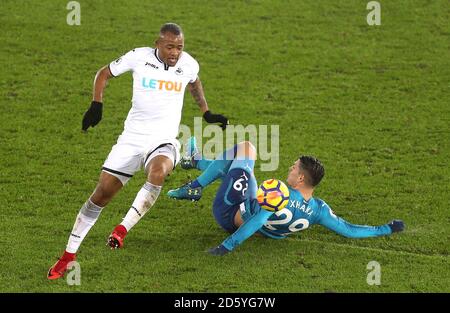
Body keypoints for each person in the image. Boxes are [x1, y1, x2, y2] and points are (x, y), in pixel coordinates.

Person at [47, 23, 229, 279]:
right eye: (170, 47)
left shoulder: (189, 64)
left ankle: (121, 230)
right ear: (158, 43)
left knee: (158, 171)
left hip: (164, 140)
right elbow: (103, 73)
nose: (175, 52)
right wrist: (96, 104)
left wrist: (206, 112)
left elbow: (194, 83)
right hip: (131, 140)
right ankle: (68, 256)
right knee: (101, 195)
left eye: (179, 47)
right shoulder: (139, 57)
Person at [167, 137, 405, 255]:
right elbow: (349, 230)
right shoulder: (319, 210)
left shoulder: (279, 193)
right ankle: (194, 161)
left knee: (246, 150)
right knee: (240, 169)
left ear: (301, 178)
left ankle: (194, 186)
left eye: (293, 168)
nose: (289, 169)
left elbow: (258, 220)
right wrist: (387, 228)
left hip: (229, 212)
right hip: (263, 226)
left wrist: (226, 246)